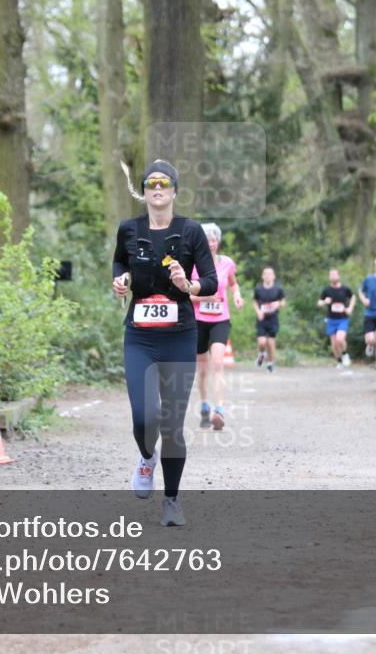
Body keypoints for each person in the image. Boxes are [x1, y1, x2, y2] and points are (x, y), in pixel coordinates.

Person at [112, 159, 217, 526]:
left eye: (164, 183)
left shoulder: (190, 231)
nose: (157, 189)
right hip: (140, 336)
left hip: (179, 336)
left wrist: (189, 285)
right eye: (151, 183)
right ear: (143, 191)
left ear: (174, 191)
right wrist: (121, 281)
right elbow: (119, 264)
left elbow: (211, 280)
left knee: (171, 425)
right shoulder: (129, 229)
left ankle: (171, 500)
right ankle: (146, 458)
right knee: (144, 417)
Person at [190, 223, 243, 430]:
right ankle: (204, 405)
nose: (211, 243)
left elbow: (233, 283)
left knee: (218, 364)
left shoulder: (227, 263)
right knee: (203, 369)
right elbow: (185, 295)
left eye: (213, 240)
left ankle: (218, 410)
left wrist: (237, 295)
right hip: (198, 321)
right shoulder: (193, 265)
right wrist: (204, 298)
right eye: (207, 240)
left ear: (217, 242)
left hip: (220, 319)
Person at [318, 268, 355, 368]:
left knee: (340, 339)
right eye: (331, 275)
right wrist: (325, 301)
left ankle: (345, 354)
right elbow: (319, 303)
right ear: (329, 277)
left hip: (342, 319)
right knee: (334, 344)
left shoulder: (345, 289)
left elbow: (353, 297)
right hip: (331, 319)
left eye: (335, 275)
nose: (333, 277)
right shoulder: (326, 290)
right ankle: (339, 361)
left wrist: (350, 308)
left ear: (339, 276)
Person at [253, 267, 285, 373]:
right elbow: (255, 302)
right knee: (262, 342)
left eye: (270, 274)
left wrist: (278, 303)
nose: (267, 276)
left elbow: (283, 302)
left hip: (273, 319)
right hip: (262, 319)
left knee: (271, 342)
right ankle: (262, 354)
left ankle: (270, 364)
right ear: (262, 276)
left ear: (274, 276)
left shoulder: (278, 289)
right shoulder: (258, 289)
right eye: (265, 274)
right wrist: (258, 311)